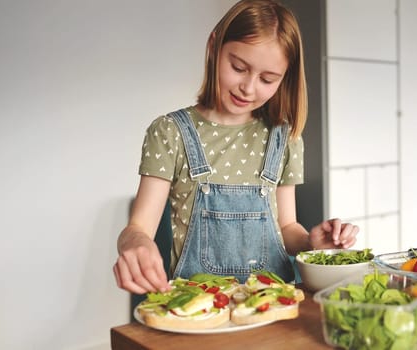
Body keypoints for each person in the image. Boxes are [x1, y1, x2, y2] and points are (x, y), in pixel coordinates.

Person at [113, 0, 359, 294]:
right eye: (239, 67)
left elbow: (287, 227)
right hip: (200, 308)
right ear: (214, 46)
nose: (249, 88)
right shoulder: (170, 132)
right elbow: (138, 228)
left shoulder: (285, 138)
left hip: (273, 304)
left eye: (268, 79)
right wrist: (136, 243)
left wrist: (311, 243)